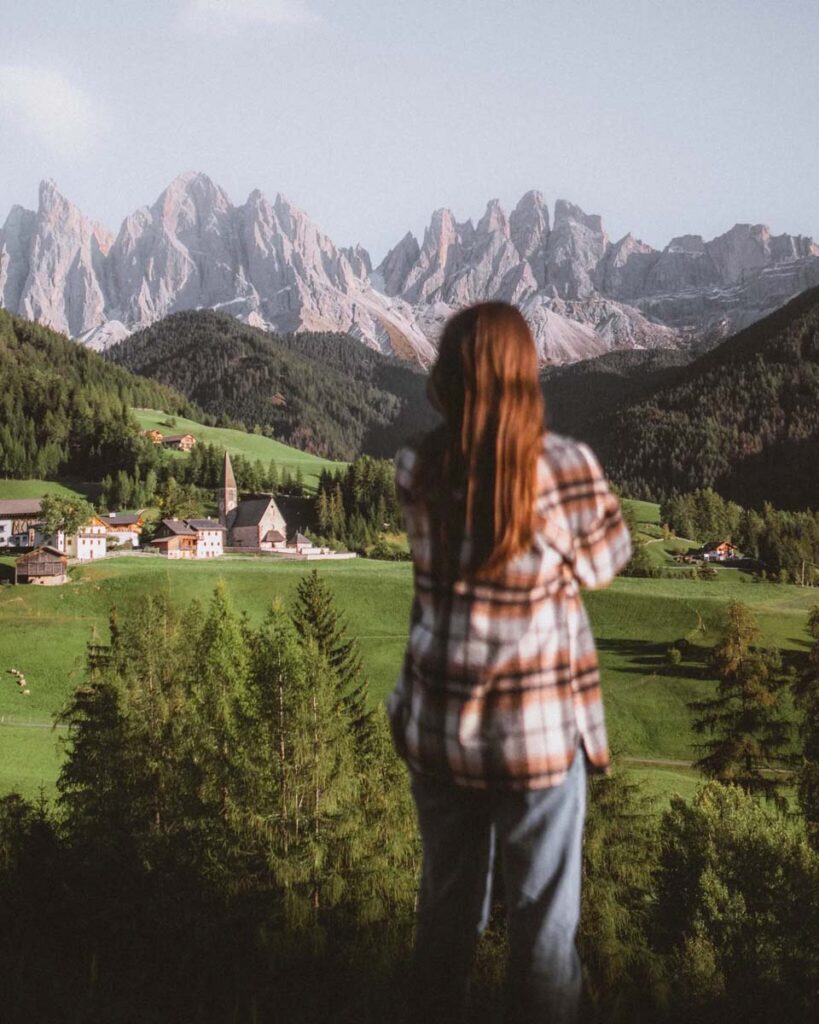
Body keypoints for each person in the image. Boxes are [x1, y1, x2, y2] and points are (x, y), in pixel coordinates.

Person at [387, 301, 632, 1023]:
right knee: (542, 943)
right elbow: (606, 563)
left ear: (448, 378)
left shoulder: (416, 467)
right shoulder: (562, 467)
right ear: (525, 378)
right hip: (536, 742)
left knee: (444, 924)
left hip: (438, 732)